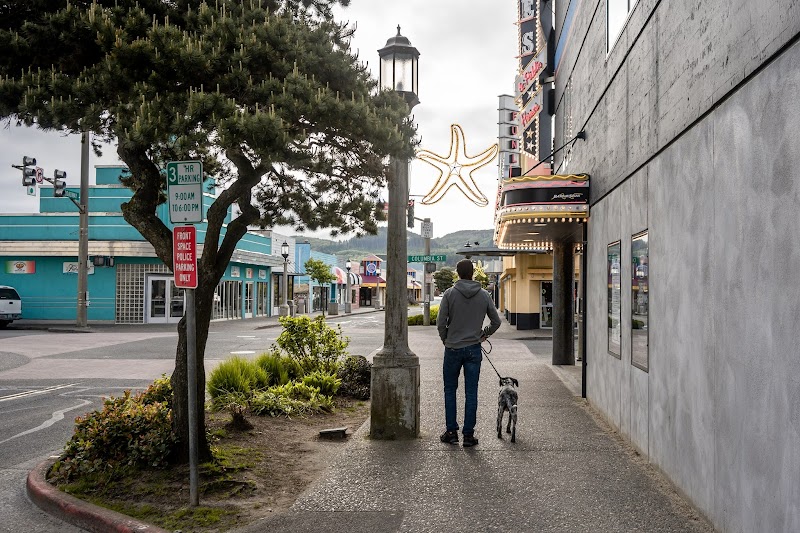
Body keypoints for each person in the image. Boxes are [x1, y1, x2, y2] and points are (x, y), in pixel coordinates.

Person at [437, 259, 501, 447]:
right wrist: (483, 334)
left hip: (452, 349)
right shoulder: (484, 295)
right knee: (471, 392)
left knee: (450, 390)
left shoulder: (449, 294)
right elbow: (496, 321)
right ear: (473, 273)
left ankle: (451, 432)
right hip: (473, 349)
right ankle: (468, 435)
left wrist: (447, 340)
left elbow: (441, 323)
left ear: (457, 273)